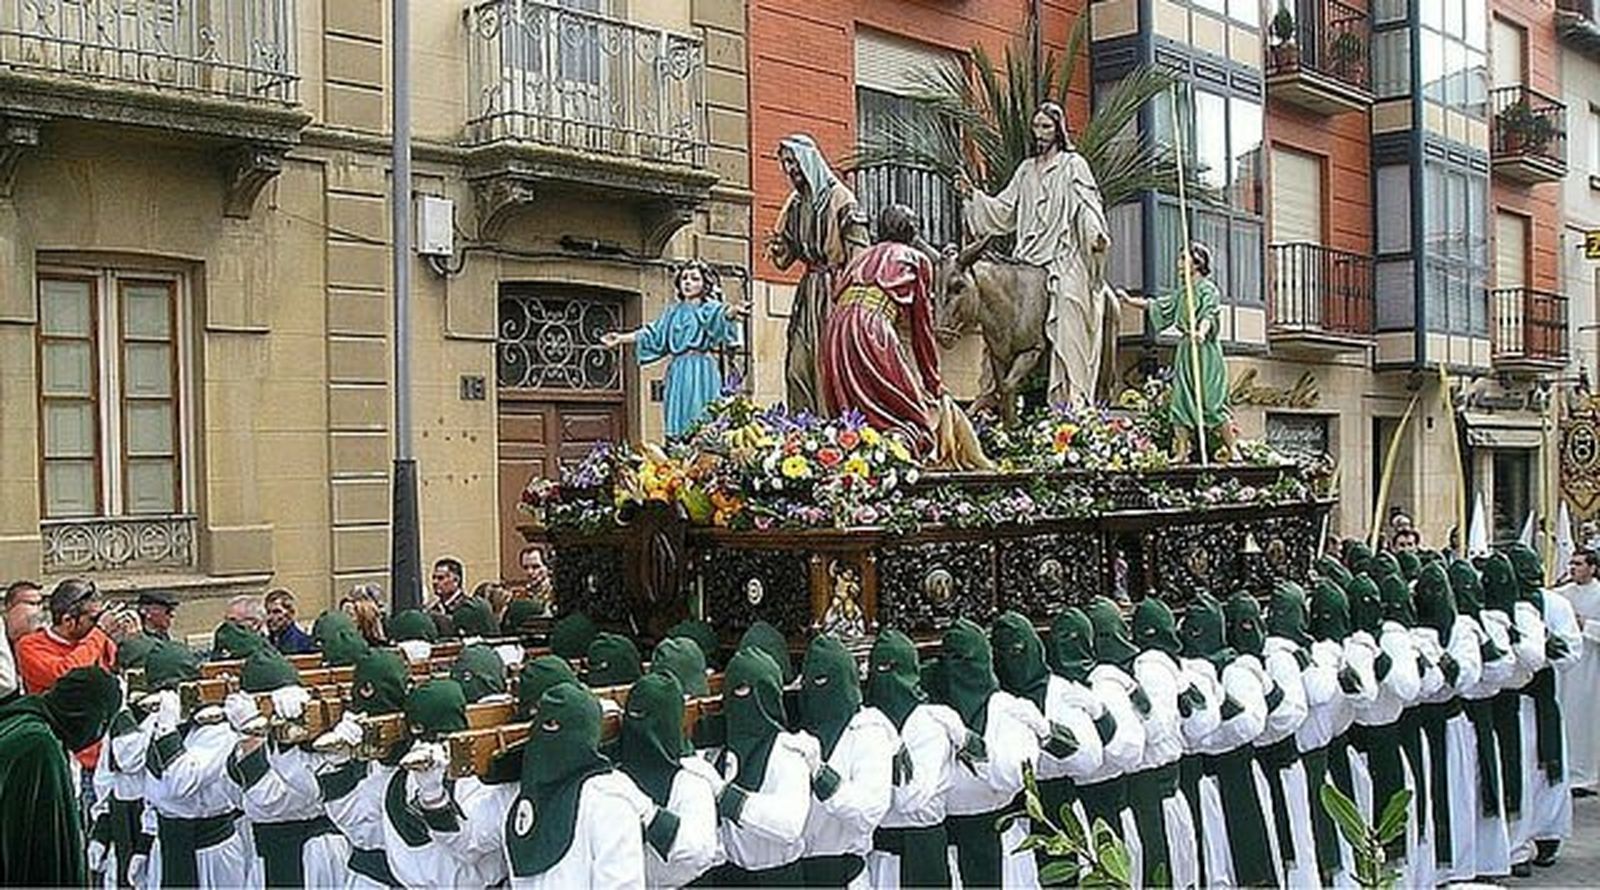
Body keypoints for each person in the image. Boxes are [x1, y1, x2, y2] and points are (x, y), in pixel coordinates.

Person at [960, 100, 1114, 406]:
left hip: (1063, 253)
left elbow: (1087, 206)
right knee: (995, 306)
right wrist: (973, 196)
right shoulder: (1026, 170)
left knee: (1069, 297)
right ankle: (990, 393)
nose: (1040, 133)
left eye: (1046, 127)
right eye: (1036, 127)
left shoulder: (1074, 165)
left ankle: (1072, 398)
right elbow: (1004, 211)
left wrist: (1095, 235)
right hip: (1027, 258)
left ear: (1058, 130)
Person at [819, 203, 944, 456]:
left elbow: (838, 293)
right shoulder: (916, 259)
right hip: (871, 326)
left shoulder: (861, 256)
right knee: (911, 414)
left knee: (852, 410)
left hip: (835, 329)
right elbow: (922, 328)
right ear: (911, 231)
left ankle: (856, 453)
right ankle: (896, 455)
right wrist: (933, 382)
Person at [223, 648, 350, 888]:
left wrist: (252, 735)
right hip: (267, 848)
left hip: (306, 854)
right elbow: (234, 795)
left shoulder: (312, 731)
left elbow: (271, 799)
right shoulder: (258, 729)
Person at [934, 618, 1045, 887]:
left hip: (1002, 845)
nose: (958, 668)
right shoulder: (933, 712)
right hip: (950, 850)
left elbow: (1015, 776)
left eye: (966, 659)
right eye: (951, 658)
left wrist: (972, 745)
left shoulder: (1008, 709)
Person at [767, 133, 870, 414]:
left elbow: (860, 250)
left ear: (809, 160)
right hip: (808, 290)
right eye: (786, 163)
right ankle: (804, 426)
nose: (790, 169)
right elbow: (784, 260)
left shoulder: (841, 199)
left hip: (835, 289)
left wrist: (851, 295)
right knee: (797, 366)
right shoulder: (794, 204)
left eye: (794, 161)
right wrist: (778, 247)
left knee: (829, 363)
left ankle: (834, 425)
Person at [862, 629, 967, 889]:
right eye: (880, 668)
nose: (886, 677)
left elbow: (912, 798)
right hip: (880, 854)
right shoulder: (865, 723)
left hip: (924, 853)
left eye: (893, 667)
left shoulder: (931, 724)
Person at [142, 640, 252, 888]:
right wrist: (143, 842)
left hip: (210, 851)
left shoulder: (217, 728)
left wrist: (167, 729)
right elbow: (151, 787)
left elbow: (182, 783)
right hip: (167, 844)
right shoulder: (159, 721)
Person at [0, 665, 121, 886]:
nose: (97, 734)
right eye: (102, 722)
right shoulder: (37, 745)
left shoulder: (25, 723)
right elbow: (32, 846)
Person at [601, 259, 746, 438]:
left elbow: (721, 314)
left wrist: (732, 312)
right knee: (678, 416)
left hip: (701, 368)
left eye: (694, 279)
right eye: (684, 278)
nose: (688, 283)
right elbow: (653, 332)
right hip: (679, 369)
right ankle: (678, 451)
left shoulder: (708, 308)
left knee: (703, 414)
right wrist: (622, 337)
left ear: (704, 284)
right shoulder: (673, 312)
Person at [795, 633, 895, 886]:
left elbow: (869, 811)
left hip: (846, 874)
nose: (817, 689)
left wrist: (822, 775)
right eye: (812, 680)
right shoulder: (798, 728)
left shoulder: (867, 733)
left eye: (826, 681)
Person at [1505, 543, 1583, 869]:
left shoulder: (1556, 604)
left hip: (1542, 700)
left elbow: (1572, 652)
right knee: (1516, 769)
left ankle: (1548, 833)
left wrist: (1552, 648)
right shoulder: (1500, 606)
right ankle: (1516, 844)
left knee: (1546, 766)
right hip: (1509, 703)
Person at [1122, 243, 1235, 463]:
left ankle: (1233, 449)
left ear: (1198, 263)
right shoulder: (1183, 293)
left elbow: (1209, 315)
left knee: (1212, 402)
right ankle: (1182, 451)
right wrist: (1129, 301)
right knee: (1180, 402)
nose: (1179, 263)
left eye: (1184, 258)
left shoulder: (1208, 290)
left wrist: (1200, 333)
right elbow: (1157, 306)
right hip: (1186, 350)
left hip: (1205, 352)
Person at [617, 672, 722, 887]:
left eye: (648, 715)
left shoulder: (692, 779)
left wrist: (649, 813)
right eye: (634, 713)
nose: (639, 725)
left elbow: (699, 849)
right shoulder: (614, 778)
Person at [15, 578, 125, 772]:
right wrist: (99, 633)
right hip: (63, 753)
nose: (98, 623)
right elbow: (67, 675)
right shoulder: (30, 646)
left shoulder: (95, 641)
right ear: (68, 620)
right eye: (93, 618)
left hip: (107, 755)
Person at [1555, 548, 1600, 797]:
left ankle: (1587, 774)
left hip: (1591, 667)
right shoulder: (1562, 596)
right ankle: (1567, 771)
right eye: (1571, 563)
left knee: (1587, 720)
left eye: (1579, 564)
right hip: (1566, 670)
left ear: (1593, 568)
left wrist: (1587, 626)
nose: (1573, 568)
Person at [212, 595, 270, 660]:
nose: (228, 626)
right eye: (226, 620)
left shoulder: (267, 649)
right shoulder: (224, 639)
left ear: (255, 623)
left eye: (233, 620)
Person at [264, 588, 315, 655]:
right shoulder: (266, 642)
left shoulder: (302, 644)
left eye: (276, 612)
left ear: (290, 614)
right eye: (268, 612)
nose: (270, 617)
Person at [519, 543, 554, 614]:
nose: (530, 572)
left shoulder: (556, 594)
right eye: (525, 567)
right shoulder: (520, 596)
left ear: (548, 567)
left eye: (536, 567)